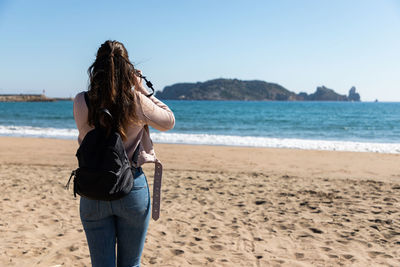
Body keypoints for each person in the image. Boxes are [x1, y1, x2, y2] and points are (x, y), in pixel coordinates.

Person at [73, 40, 175, 267]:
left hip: (93, 188)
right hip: (131, 186)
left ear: (96, 67)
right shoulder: (136, 101)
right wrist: (140, 88)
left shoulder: (82, 100)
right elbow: (169, 120)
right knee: (130, 264)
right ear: (127, 68)